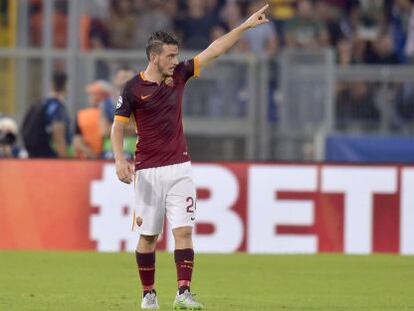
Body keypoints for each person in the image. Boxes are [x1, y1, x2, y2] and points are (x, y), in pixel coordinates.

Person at [111, 4, 270, 310]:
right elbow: (116, 129)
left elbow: (215, 50)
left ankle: (183, 293)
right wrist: (120, 160)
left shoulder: (181, 74)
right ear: (154, 57)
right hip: (147, 171)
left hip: (180, 167)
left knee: (183, 231)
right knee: (148, 237)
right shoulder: (133, 89)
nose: (175, 60)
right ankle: (149, 295)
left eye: (176, 55)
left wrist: (245, 26)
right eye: (170, 56)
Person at [22, 72, 71, 158]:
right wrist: (64, 160)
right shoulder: (57, 107)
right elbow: (58, 136)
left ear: (51, 85)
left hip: (33, 154)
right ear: (65, 87)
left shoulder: (40, 103)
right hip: (47, 156)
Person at [73, 80, 113, 159]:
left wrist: (91, 154)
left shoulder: (81, 114)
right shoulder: (113, 114)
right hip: (106, 158)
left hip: (85, 159)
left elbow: (77, 141)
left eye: (92, 94)